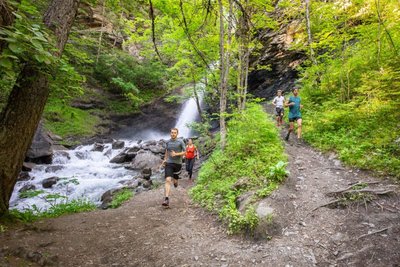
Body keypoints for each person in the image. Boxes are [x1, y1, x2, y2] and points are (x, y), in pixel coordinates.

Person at [162, 128, 186, 207]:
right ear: (170, 133)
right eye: (172, 132)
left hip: (178, 164)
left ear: (177, 134)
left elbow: (185, 151)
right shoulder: (168, 142)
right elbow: (166, 151)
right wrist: (165, 160)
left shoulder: (180, 141)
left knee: (175, 181)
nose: (173, 134)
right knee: (168, 179)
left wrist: (176, 154)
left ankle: (176, 182)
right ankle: (166, 199)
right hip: (169, 163)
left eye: (174, 133)